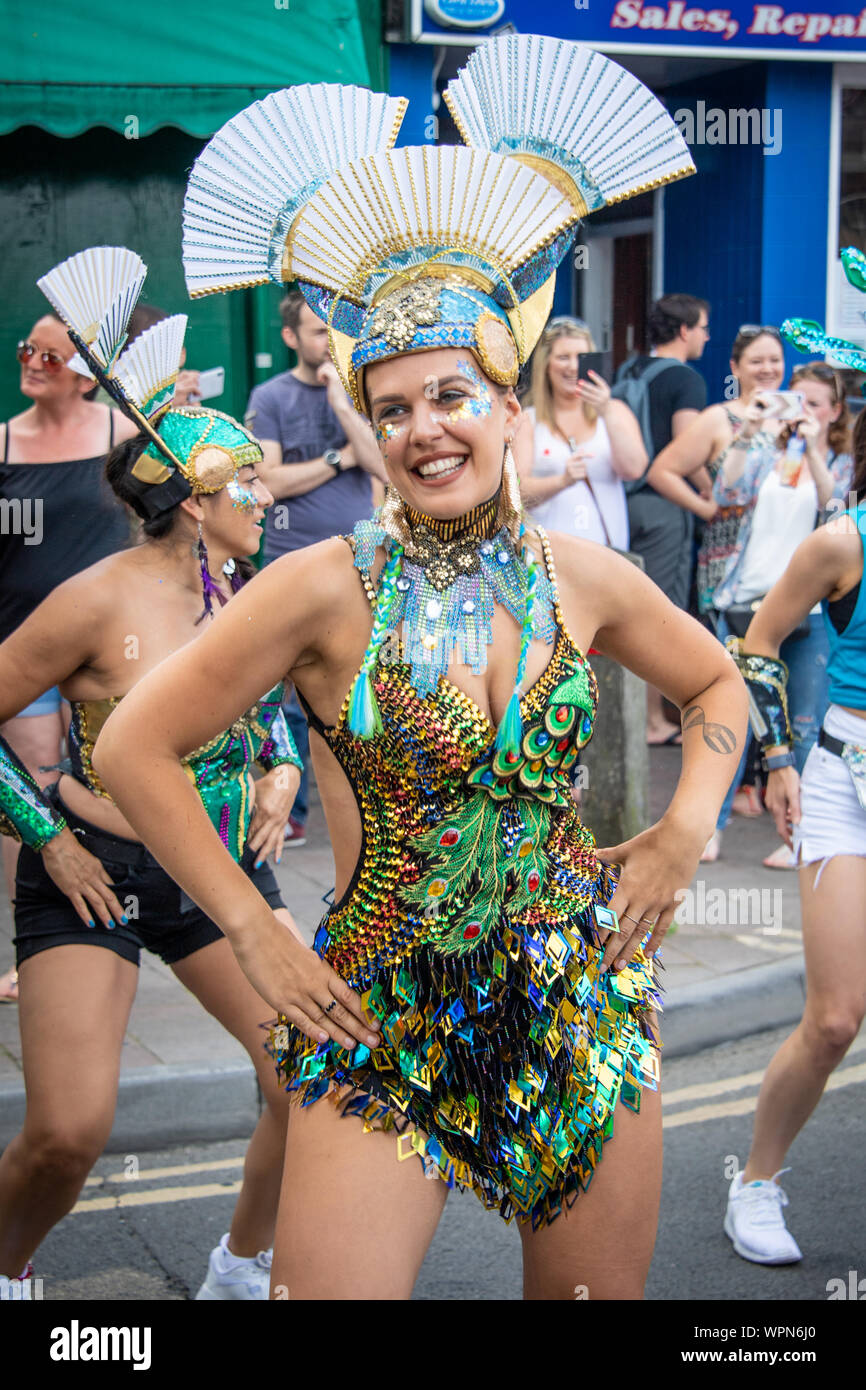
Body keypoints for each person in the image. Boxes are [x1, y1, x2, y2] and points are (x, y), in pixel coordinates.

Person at [93, 45, 747, 1300]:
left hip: (578, 999)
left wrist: (680, 831)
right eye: (388, 410)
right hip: (378, 1014)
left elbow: (717, 688)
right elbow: (131, 745)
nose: (420, 430)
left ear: (507, 399)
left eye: (448, 394)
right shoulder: (319, 584)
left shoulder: (583, 576)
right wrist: (252, 925)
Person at [0, 254, 305, 1298]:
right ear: (192, 499)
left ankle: (239, 1264)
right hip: (94, 868)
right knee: (68, 1128)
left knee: (303, 1075)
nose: (266, 493)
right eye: (247, 480)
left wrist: (277, 764)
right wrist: (45, 835)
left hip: (215, 871)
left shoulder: (248, 584)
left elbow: (268, 691)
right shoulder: (93, 599)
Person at [723, 403, 866, 1264]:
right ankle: (755, 1183)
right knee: (836, 1018)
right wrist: (776, 756)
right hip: (844, 782)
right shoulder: (841, 541)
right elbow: (757, 645)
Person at [0, 314, 137, 1004]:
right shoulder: (1, 443)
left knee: (106, 776)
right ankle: (40, 940)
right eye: (28, 350)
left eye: (49, 356)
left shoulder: (125, 436)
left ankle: (114, 921)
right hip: (20, 644)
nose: (32, 363)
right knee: (30, 788)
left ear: (85, 371)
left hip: (108, 653)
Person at [674, 354, 852, 862]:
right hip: (746, 600)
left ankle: (798, 834)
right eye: (795, 400)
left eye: (814, 404)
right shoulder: (764, 451)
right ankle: (713, 827)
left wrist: (811, 444)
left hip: (810, 612)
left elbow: (834, 506)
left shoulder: (838, 462)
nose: (802, 411)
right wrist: (752, 426)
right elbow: (726, 489)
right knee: (730, 720)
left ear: (835, 412)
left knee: (805, 724)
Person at [245, 291, 387, 846]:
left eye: (332, 331)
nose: (325, 341)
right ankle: (296, 808)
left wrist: (346, 410)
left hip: (362, 559)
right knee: (294, 692)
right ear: (289, 338)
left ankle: (370, 803)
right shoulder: (270, 396)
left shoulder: (356, 391)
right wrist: (339, 459)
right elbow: (270, 481)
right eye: (313, 332)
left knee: (363, 681)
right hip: (289, 559)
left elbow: (383, 465)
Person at [616, 293, 710, 746]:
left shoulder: (629, 370)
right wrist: (714, 490)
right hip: (664, 504)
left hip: (625, 503)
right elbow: (687, 451)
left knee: (629, 605)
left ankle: (635, 714)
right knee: (661, 613)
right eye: (704, 327)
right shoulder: (685, 379)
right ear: (685, 331)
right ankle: (653, 722)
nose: (707, 336)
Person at [512, 316, 647, 546]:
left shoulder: (615, 411)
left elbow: (635, 469)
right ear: (546, 364)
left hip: (607, 557)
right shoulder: (528, 420)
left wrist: (606, 412)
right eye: (563, 357)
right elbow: (515, 491)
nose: (573, 367)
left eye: (581, 358)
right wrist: (562, 481)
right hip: (551, 560)